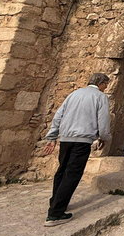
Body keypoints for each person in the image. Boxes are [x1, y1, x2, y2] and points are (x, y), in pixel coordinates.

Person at [42, 73, 111, 227]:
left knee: (62, 171)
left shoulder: (74, 94)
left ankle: (56, 202)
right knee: (72, 174)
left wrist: (52, 137)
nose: (106, 88)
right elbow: (103, 120)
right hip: (82, 141)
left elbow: (58, 116)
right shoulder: (100, 97)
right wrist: (105, 137)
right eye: (106, 84)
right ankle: (55, 214)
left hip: (66, 139)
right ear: (101, 83)